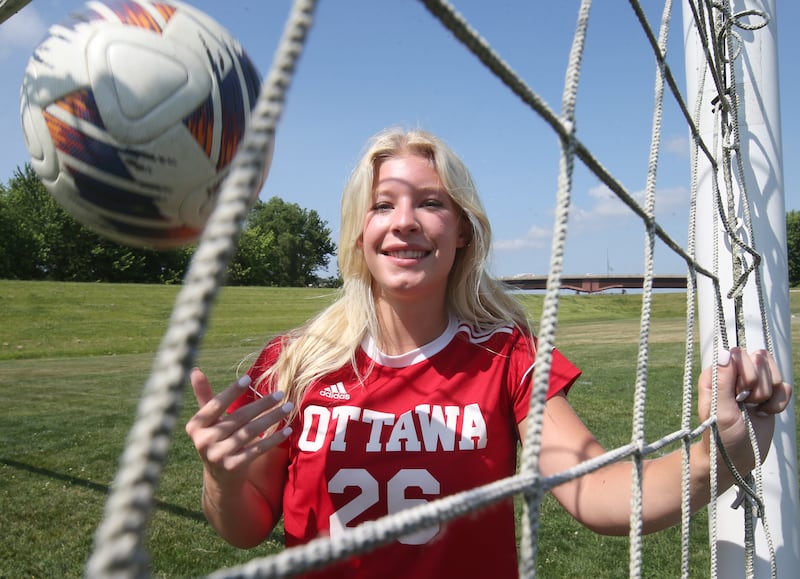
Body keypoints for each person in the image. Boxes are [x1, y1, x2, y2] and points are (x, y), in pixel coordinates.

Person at [186, 128, 792, 578]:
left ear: (462, 230)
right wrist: (221, 478)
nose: (406, 223)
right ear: (357, 233)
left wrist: (721, 453)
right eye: (382, 205)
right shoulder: (295, 364)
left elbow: (601, 492)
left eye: (430, 203)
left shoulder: (506, 356)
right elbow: (244, 529)